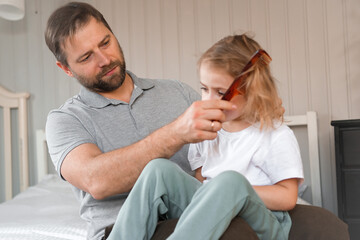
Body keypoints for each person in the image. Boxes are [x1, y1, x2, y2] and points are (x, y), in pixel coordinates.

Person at [44, 2, 235, 239]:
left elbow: (233, 149)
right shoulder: (66, 120)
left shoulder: (177, 91)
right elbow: (96, 181)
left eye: (106, 43)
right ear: (66, 68)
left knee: (290, 218)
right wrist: (175, 134)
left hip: (194, 216)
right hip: (124, 230)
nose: (104, 59)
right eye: (86, 57)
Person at [107, 35, 304, 240]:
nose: (209, 100)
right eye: (204, 89)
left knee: (229, 181)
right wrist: (215, 192)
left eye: (220, 92)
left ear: (252, 90)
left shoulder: (275, 134)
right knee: (158, 169)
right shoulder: (205, 131)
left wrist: (231, 191)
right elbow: (200, 184)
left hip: (263, 222)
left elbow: (288, 197)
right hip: (213, 214)